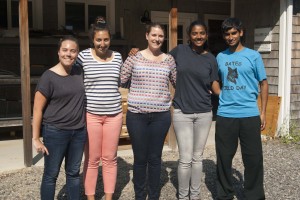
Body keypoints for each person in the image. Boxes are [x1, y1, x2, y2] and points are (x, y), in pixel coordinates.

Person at [120, 23, 176, 200]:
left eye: (160, 36)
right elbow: (121, 79)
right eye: (154, 35)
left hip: (161, 116)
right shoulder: (135, 57)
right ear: (146, 36)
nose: (157, 39)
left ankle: (153, 195)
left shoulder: (169, 60)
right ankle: (139, 195)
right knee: (140, 158)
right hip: (137, 115)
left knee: (155, 158)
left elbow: (179, 82)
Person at [215, 17, 268, 200]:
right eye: (227, 34)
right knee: (223, 158)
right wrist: (220, 93)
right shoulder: (220, 57)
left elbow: (264, 83)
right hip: (225, 114)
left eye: (234, 33)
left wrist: (263, 112)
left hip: (249, 114)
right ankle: (225, 195)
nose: (230, 37)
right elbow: (215, 81)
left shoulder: (253, 56)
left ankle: (254, 195)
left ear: (241, 32)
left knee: (253, 159)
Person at [169, 20, 220, 200]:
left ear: (206, 35)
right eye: (195, 33)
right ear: (189, 35)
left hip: (205, 112)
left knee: (197, 157)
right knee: (185, 158)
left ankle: (195, 195)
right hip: (182, 111)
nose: (198, 37)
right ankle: (183, 196)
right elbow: (160, 62)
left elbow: (214, 83)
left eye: (202, 33)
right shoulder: (180, 51)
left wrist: (227, 97)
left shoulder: (211, 59)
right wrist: (137, 53)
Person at [32, 35, 86, 200]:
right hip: (55, 132)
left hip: (78, 132)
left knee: (73, 173)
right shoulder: (48, 77)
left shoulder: (79, 72)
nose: (68, 54)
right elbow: (37, 109)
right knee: (51, 174)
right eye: (65, 50)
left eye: (73, 51)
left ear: (77, 53)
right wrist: (36, 138)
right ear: (58, 52)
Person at [76, 16, 123, 200]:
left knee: (110, 158)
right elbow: (74, 80)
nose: (102, 44)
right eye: (98, 40)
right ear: (92, 40)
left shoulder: (118, 56)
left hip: (114, 115)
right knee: (92, 159)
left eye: (105, 39)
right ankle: (91, 197)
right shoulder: (83, 56)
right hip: (91, 115)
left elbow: (123, 79)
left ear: (110, 39)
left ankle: (109, 197)